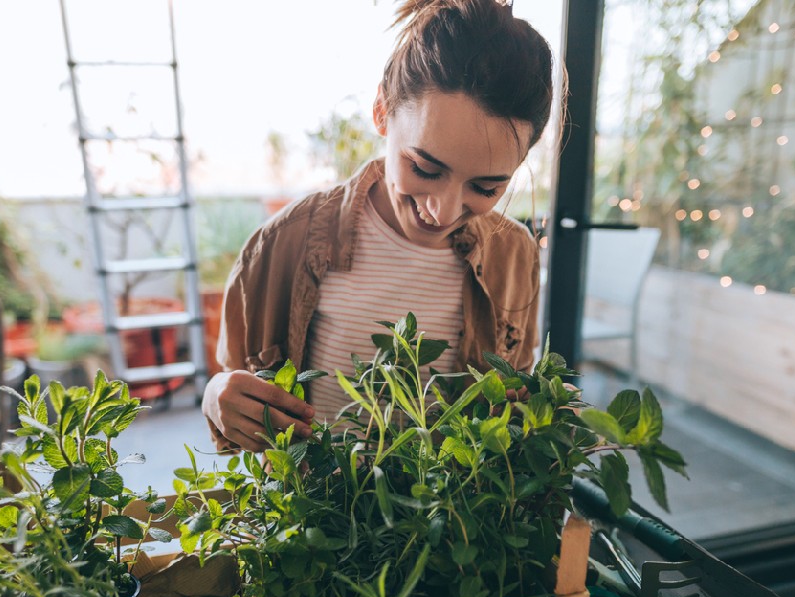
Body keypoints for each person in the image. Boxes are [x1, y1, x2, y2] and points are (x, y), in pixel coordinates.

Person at [203, 0, 557, 452]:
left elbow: (517, 393)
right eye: (425, 169)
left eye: (486, 188)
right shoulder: (283, 242)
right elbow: (229, 381)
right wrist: (217, 398)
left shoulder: (516, 254)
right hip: (316, 513)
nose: (444, 211)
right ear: (382, 111)